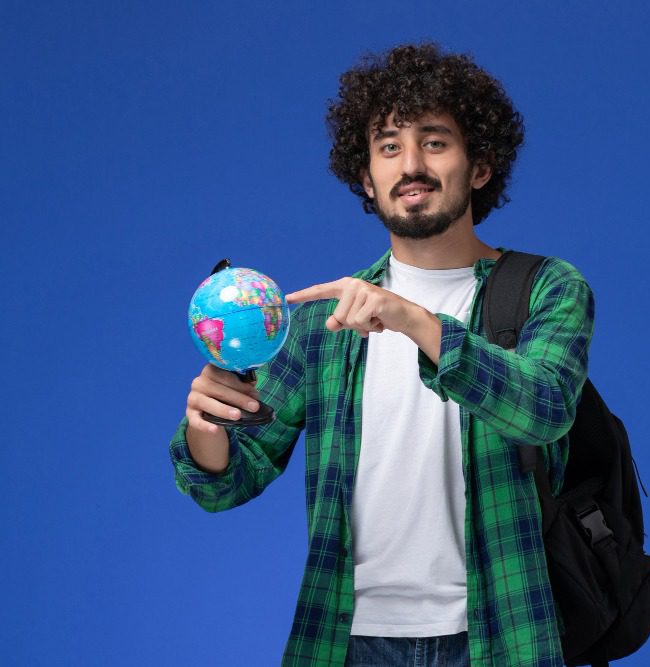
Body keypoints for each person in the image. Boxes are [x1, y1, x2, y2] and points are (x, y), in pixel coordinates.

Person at [170, 43, 594, 667]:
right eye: (389, 145)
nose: (412, 164)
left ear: (480, 166)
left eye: (436, 141)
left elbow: (545, 407)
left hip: (503, 633)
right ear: (366, 177)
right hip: (347, 640)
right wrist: (206, 426)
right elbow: (230, 480)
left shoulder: (546, 289)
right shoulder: (321, 321)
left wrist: (413, 319)